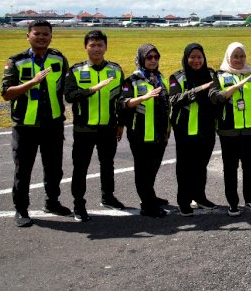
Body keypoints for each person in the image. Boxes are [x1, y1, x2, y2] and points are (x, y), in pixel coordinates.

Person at [1, 20, 71, 227]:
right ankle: (21, 209)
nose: (41, 37)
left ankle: (52, 202)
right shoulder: (16, 61)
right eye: (37, 34)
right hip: (25, 126)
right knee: (23, 170)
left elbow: (66, 87)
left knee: (54, 168)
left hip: (53, 124)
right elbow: (6, 93)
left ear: (51, 36)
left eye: (45, 34)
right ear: (28, 36)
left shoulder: (58, 59)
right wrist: (32, 82)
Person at [64, 30, 126, 222]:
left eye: (100, 45)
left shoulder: (115, 70)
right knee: (80, 167)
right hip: (84, 129)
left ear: (106, 47)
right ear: (85, 47)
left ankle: (108, 196)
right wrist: (91, 90)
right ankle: (78, 204)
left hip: (108, 127)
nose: (96, 49)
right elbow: (69, 96)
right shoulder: (76, 70)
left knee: (108, 164)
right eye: (92, 45)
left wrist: (120, 124)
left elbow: (121, 100)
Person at [209, 42, 251, 217]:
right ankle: (233, 202)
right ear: (228, 57)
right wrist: (234, 88)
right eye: (235, 56)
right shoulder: (219, 75)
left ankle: (250, 198)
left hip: (250, 130)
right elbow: (214, 98)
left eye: (242, 56)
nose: (239, 59)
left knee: (250, 167)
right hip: (228, 131)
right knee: (230, 168)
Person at [119, 44, 171, 218]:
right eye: (149, 57)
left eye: (156, 57)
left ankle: (150, 196)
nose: (153, 60)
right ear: (142, 59)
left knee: (153, 169)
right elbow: (121, 104)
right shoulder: (132, 80)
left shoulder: (161, 78)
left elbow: (167, 104)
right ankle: (147, 205)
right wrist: (142, 98)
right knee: (143, 171)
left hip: (159, 134)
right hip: (140, 134)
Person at [169, 43, 218, 217]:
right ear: (186, 58)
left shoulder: (212, 74)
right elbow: (174, 99)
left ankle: (199, 196)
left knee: (201, 165)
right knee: (184, 167)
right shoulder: (177, 77)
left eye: (199, 57)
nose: (196, 60)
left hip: (206, 128)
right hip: (184, 129)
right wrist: (196, 91)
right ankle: (183, 200)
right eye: (192, 57)